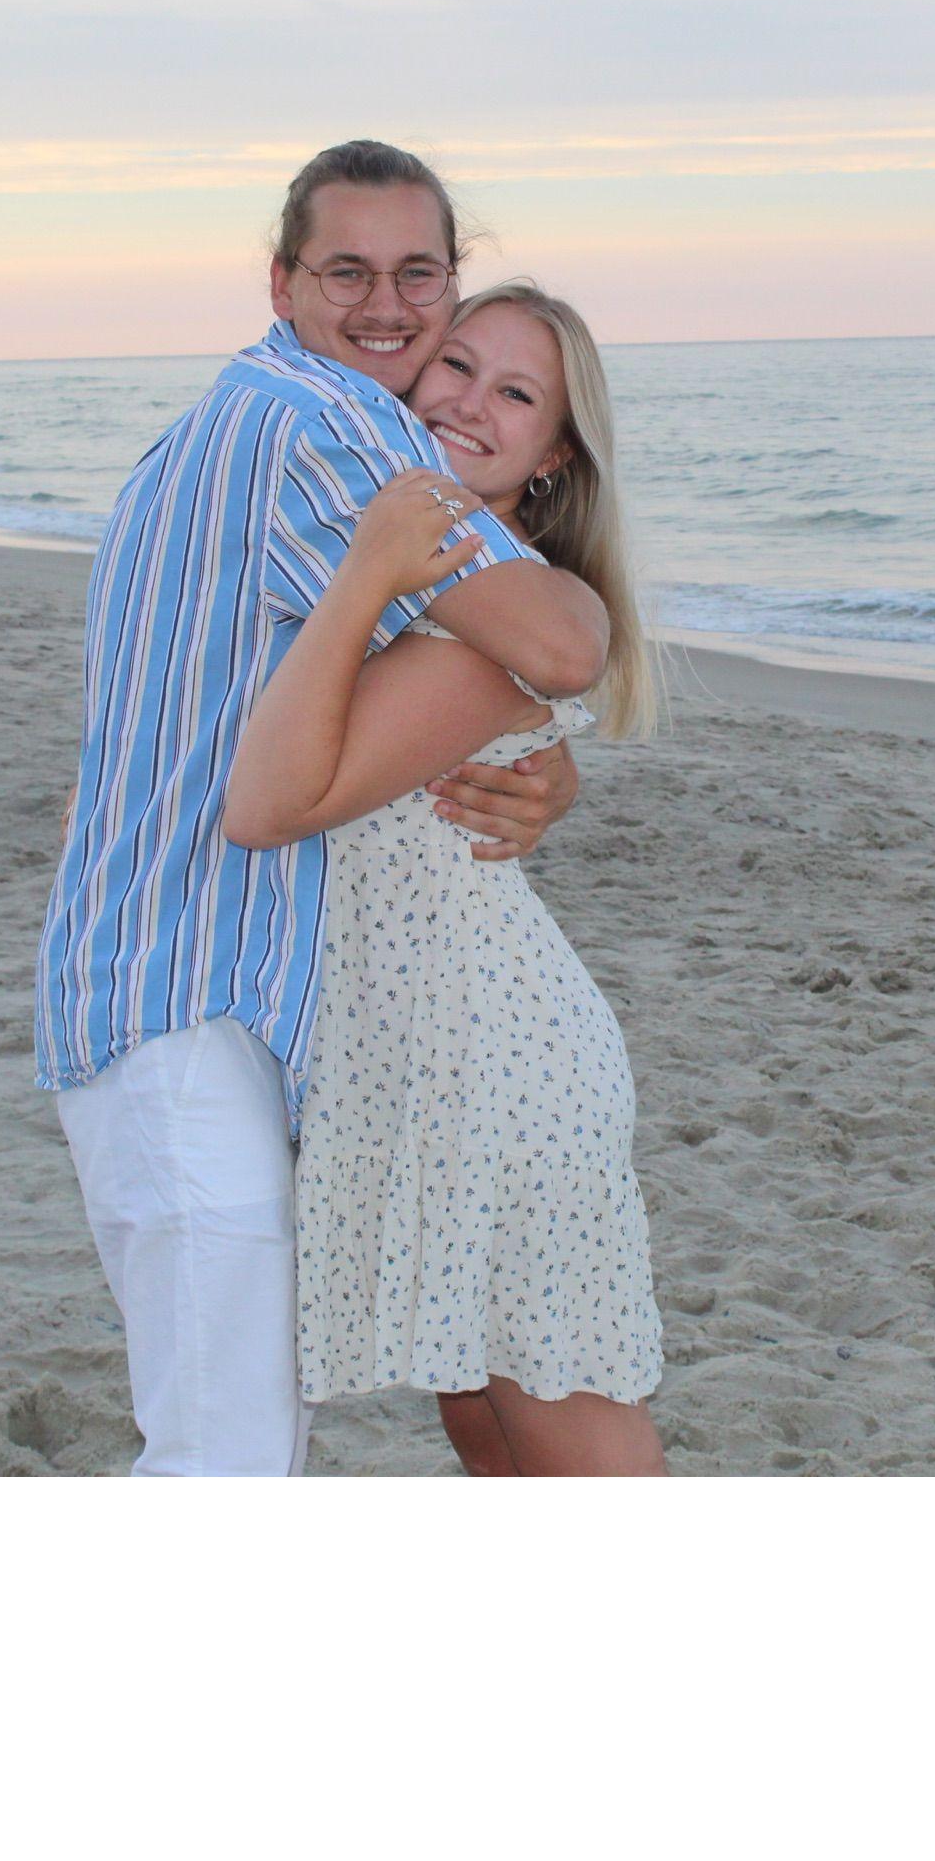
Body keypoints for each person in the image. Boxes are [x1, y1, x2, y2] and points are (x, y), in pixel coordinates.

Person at [35, 140, 607, 1477]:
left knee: (228, 1444)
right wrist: (574, 624)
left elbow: (426, 697)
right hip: (188, 1003)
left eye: (419, 273)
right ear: (283, 281)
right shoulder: (331, 425)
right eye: (346, 270)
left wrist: (543, 762)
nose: (388, 307)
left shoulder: (226, 422)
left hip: (169, 992)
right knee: (223, 1462)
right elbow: (559, 642)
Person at [226, 282, 667, 1476]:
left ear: (555, 454)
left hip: (498, 1068)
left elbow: (267, 804)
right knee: (486, 1427)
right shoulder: (439, 597)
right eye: (456, 366)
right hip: (421, 1068)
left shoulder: (495, 619)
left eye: (515, 393)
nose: (469, 404)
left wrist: (371, 570)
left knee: (567, 1433)